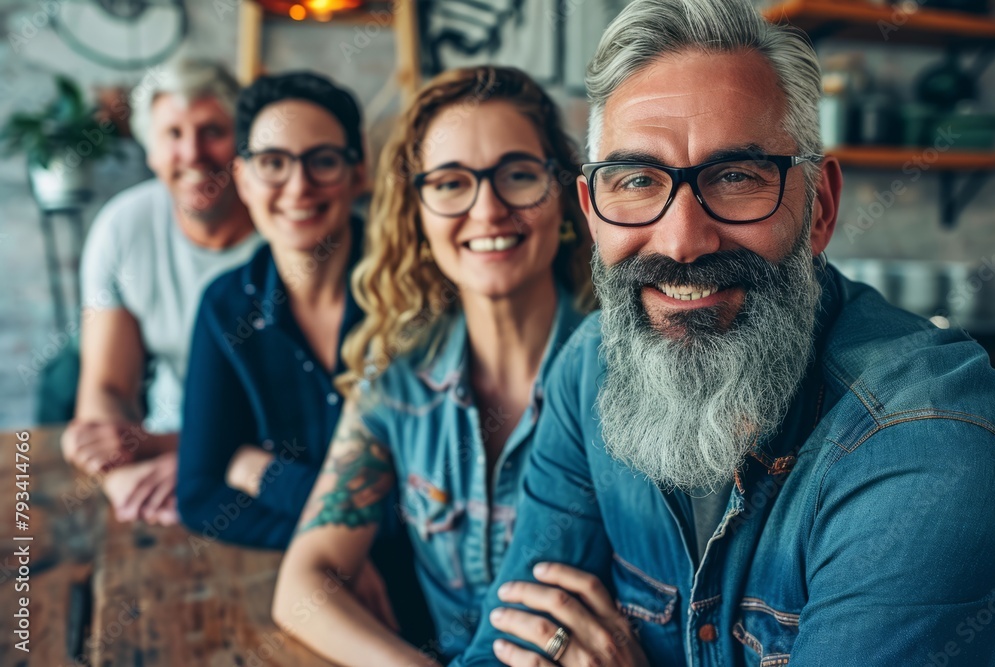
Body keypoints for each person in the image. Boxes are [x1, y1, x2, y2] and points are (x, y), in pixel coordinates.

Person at [454, 1, 995, 666]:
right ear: (592, 212)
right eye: (635, 179)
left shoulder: (926, 441)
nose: (683, 240)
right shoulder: (586, 370)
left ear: (820, 206)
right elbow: (500, 649)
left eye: (737, 176)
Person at [272, 66, 596, 666]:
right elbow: (302, 585)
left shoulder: (622, 375)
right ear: (417, 214)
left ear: (565, 197)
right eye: (451, 183)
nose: (488, 209)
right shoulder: (396, 382)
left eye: (519, 176)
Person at [61, 60, 261, 525]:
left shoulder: (284, 231)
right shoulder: (122, 228)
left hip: (265, 462)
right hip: (158, 464)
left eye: (213, 130)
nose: (192, 153)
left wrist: (193, 458)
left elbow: (304, 412)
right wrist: (117, 478)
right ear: (150, 151)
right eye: (173, 134)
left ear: (243, 142)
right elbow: (107, 387)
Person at [176, 72, 367, 548]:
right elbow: (200, 496)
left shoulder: (409, 294)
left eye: (322, 161)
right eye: (273, 163)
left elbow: (420, 500)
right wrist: (326, 553)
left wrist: (264, 474)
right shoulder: (224, 306)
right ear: (242, 179)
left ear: (357, 174)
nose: (298, 186)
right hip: (304, 579)